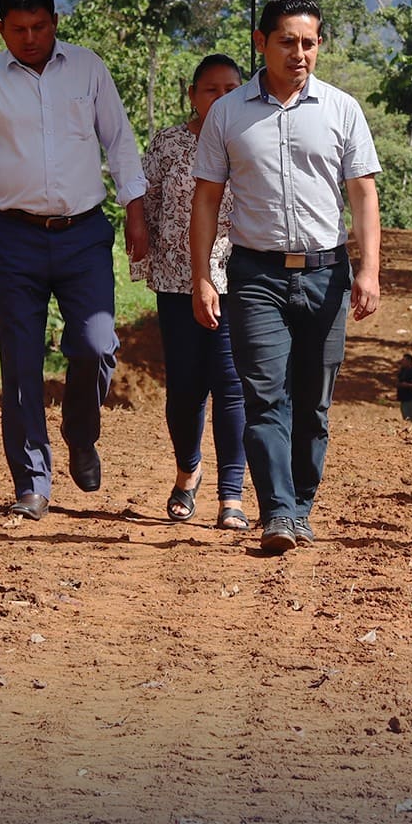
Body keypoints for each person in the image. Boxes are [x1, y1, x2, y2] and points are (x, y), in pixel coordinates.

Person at [0, 0, 149, 519]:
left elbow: (119, 140)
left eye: (39, 27)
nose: (30, 39)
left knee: (97, 344)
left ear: (55, 22)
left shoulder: (87, 69)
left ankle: (81, 432)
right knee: (21, 362)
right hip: (14, 236)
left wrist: (135, 210)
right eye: (18, 30)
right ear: (1, 30)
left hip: (84, 233)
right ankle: (32, 480)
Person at [189, 0, 382, 556]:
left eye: (310, 42)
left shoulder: (342, 110)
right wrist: (203, 276)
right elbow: (206, 199)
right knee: (265, 396)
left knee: (314, 401)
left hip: (327, 274)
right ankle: (276, 511)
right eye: (287, 41)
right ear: (261, 43)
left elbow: (363, 193)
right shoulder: (227, 113)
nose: (300, 53)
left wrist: (368, 269)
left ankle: (301, 504)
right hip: (256, 275)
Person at [138, 54, 250, 530]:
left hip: (236, 279)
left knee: (230, 386)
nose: (222, 98)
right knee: (185, 389)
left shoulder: (252, 139)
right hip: (177, 280)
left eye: (231, 89)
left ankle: (231, 495)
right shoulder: (167, 143)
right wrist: (143, 257)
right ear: (192, 94)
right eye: (211, 90)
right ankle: (188, 471)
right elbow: (147, 203)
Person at [395, 353, 412, 422]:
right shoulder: (401, 371)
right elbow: (397, 382)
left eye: (404, 360)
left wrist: (407, 385)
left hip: (411, 400)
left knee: (410, 420)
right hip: (403, 400)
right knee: (405, 420)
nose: (402, 362)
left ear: (409, 361)